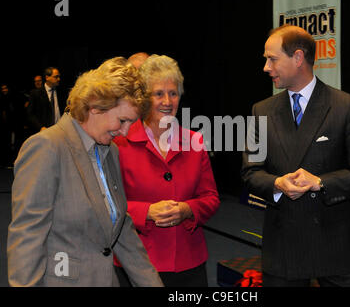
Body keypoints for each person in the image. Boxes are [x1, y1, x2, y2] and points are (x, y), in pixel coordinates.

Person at [241, 24, 350, 287]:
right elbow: (250, 172)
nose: (265, 67)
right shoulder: (261, 111)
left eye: (272, 59)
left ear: (298, 58)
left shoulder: (346, 107)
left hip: (337, 244)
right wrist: (277, 183)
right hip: (283, 246)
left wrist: (320, 183)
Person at [7, 57, 163, 287]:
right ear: (94, 105)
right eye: (122, 120)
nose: (126, 132)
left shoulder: (110, 151)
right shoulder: (47, 147)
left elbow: (122, 231)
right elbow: (27, 238)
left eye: (131, 123)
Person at [114, 54, 220, 287]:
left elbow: (211, 198)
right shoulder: (119, 143)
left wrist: (187, 209)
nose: (167, 101)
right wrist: (147, 212)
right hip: (135, 262)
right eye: (158, 94)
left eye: (173, 93)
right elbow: (107, 204)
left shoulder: (195, 141)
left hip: (189, 265)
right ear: (143, 99)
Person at [27, 67, 67, 133]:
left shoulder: (62, 92)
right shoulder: (35, 94)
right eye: (56, 77)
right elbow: (30, 114)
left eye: (59, 77)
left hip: (60, 131)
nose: (59, 79)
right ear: (47, 77)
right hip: (44, 132)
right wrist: (40, 127)